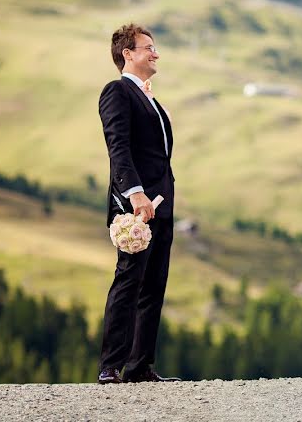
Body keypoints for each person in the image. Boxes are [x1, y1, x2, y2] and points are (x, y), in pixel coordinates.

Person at [96, 24, 179, 384]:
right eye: (148, 47)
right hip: (135, 205)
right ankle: (111, 366)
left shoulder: (153, 101)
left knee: (154, 284)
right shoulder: (117, 92)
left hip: (162, 204)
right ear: (127, 54)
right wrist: (135, 193)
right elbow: (119, 147)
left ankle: (141, 366)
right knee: (129, 280)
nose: (155, 52)